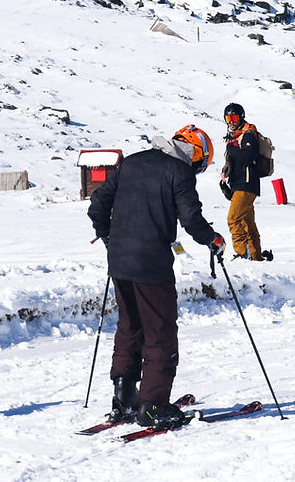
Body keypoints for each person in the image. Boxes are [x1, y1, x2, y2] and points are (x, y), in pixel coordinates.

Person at [87, 125, 226, 430]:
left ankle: (124, 398)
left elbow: (98, 204)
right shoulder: (180, 172)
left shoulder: (132, 162)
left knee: (130, 326)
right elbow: (191, 219)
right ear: (197, 156)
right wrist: (213, 239)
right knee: (160, 331)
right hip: (151, 264)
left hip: (119, 260)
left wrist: (107, 235)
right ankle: (153, 406)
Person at [222, 103, 271, 261]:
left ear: (241, 117)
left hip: (247, 183)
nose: (231, 121)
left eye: (234, 117)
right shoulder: (234, 138)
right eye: (228, 118)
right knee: (246, 223)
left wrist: (233, 148)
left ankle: (243, 254)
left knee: (233, 219)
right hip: (241, 185)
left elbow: (248, 157)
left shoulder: (248, 134)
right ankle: (256, 257)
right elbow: (236, 164)